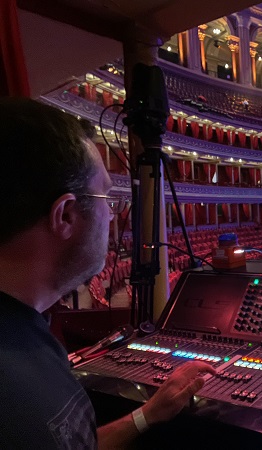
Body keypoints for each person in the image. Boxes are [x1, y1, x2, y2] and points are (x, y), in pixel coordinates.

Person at [0, 98, 216, 449]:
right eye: (106, 198)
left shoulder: (29, 332)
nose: (113, 215)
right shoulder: (12, 405)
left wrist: (148, 413)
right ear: (66, 215)